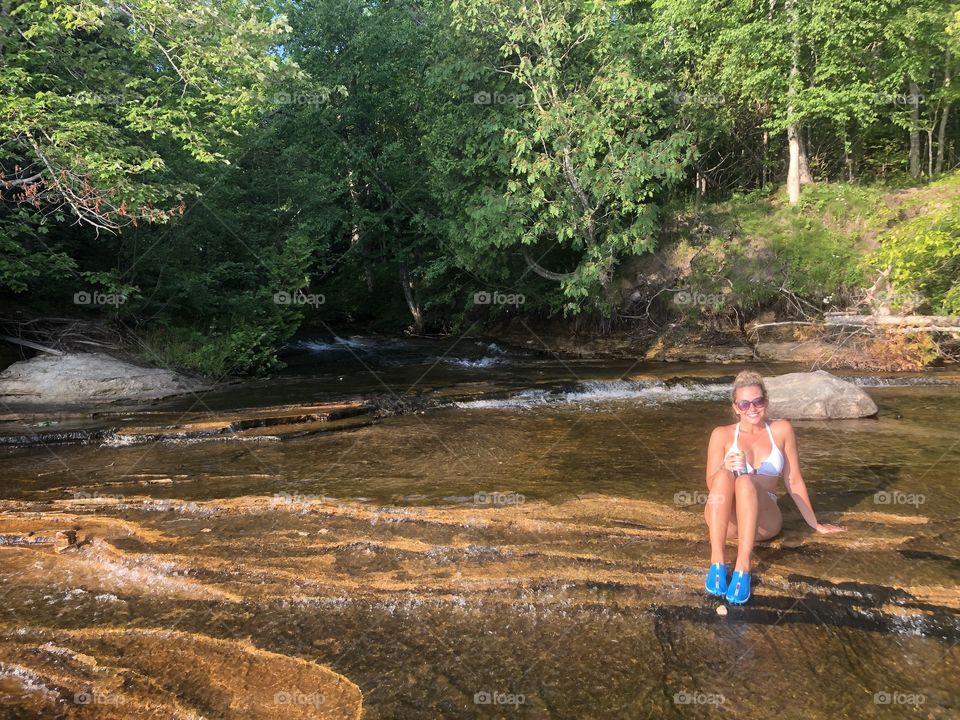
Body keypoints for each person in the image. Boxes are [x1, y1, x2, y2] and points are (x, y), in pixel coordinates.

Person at [703, 370, 846, 604]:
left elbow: (794, 480)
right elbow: (711, 484)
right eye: (744, 403)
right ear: (735, 407)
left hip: (763, 521)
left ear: (766, 402)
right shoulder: (721, 434)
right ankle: (717, 563)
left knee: (746, 480)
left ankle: (743, 568)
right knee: (723, 476)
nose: (752, 408)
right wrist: (723, 467)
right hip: (726, 521)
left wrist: (815, 523)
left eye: (758, 401)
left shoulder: (781, 430)